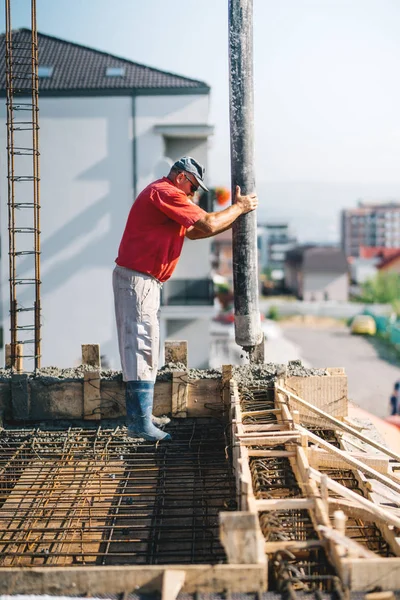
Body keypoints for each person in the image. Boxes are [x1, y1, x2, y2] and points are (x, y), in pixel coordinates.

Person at [113, 156, 258, 441]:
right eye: (193, 187)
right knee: (140, 344)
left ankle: (142, 417)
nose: (193, 194)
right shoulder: (165, 192)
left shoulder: (166, 196)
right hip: (138, 278)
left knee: (146, 345)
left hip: (144, 280)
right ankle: (139, 424)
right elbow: (205, 222)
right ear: (181, 177)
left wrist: (234, 217)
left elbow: (195, 231)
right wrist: (239, 207)